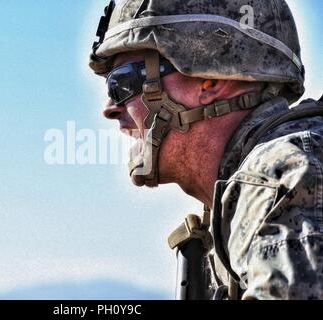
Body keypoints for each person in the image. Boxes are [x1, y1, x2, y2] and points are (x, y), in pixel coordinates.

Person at [88, 0, 323, 300]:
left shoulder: (283, 178)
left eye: (122, 83)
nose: (110, 108)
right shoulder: (246, 195)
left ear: (209, 79)